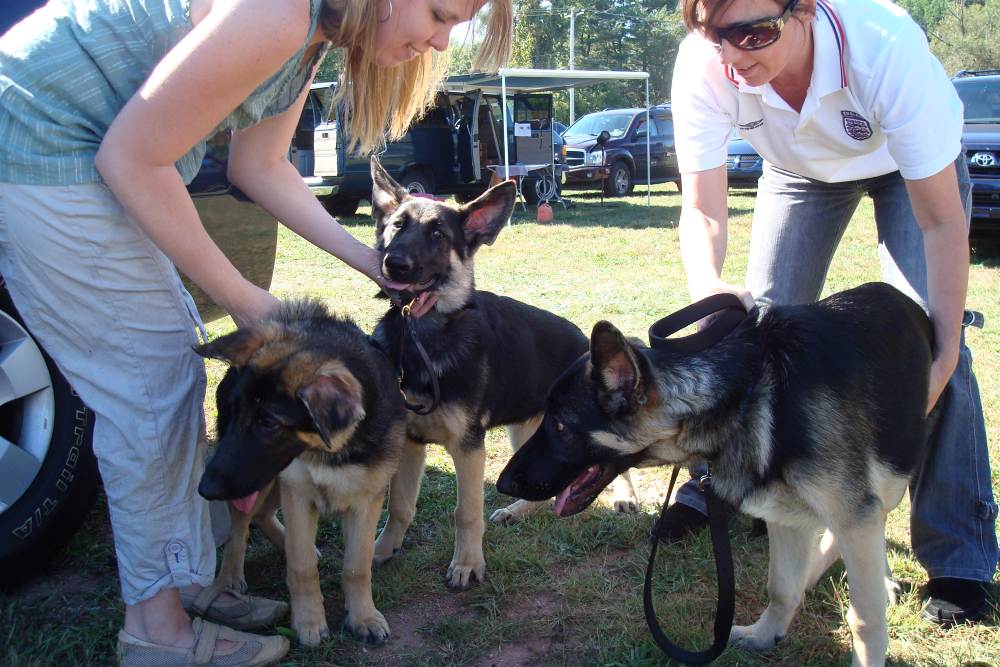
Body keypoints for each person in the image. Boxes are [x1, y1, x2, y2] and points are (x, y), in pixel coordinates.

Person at [0, 0, 511, 664]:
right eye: (440, 14)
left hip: (80, 152)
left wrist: (372, 262)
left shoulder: (314, 32)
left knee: (170, 374)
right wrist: (242, 298)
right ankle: (157, 633)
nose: (442, 42)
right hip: (41, 146)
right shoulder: (281, 11)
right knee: (150, 386)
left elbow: (260, 166)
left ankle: (192, 583)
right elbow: (131, 157)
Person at [667, 0, 997, 625]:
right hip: (796, 171)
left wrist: (945, 347)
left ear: (806, 11)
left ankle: (958, 559)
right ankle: (737, 484)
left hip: (908, 170)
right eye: (715, 36)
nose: (732, 59)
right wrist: (711, 289)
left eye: (754, 33)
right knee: (754, 332)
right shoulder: (703, 63)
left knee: (931, 345)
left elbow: (941, 219)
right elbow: (705, 209)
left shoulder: (885, 48)